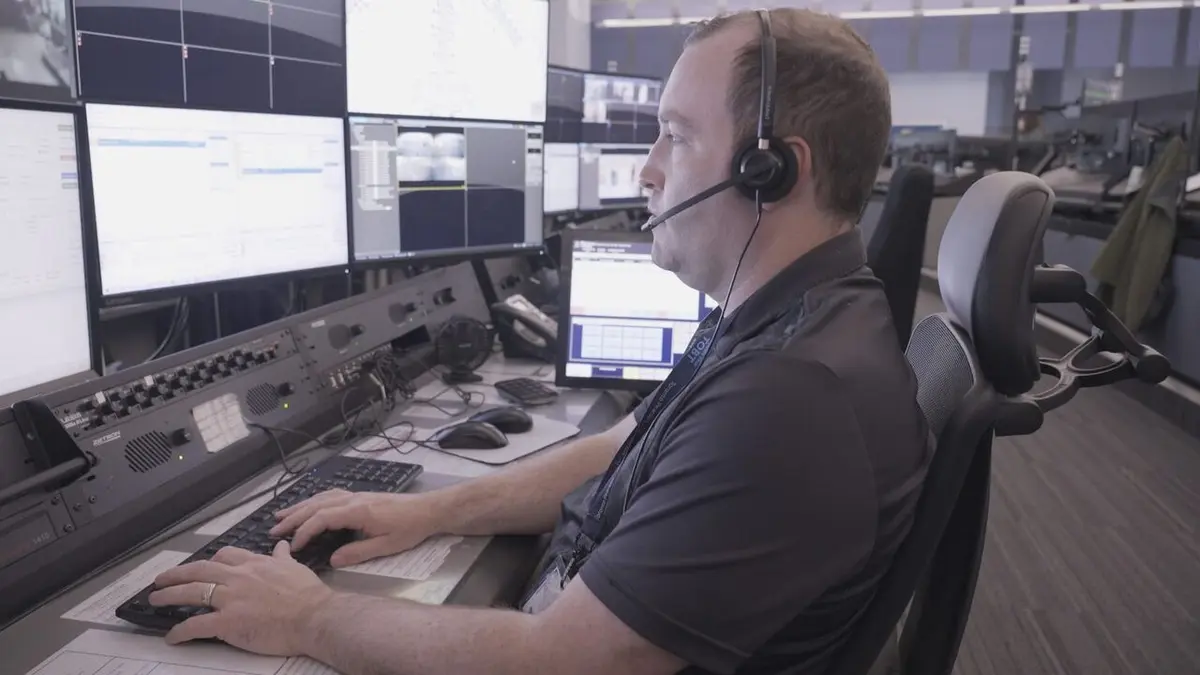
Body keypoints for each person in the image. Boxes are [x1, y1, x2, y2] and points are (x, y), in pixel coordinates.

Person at [148, 9, 931, 675]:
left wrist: (308, 617)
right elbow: (624, 443)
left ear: (770, 172)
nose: (648, 171)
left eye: (675, 136)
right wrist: (429, 511)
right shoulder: (786, 319)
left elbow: (563, 659)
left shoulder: (790, 396)